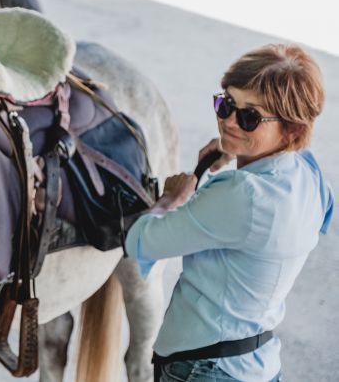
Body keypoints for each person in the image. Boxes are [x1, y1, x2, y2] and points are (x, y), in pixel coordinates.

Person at [124, 44, 334, 381]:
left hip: (202, 369)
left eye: (250, 118)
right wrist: (241, 152)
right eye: (225, 104)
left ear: (291, 129)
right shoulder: (309, 173)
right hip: (258, 366)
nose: (229, 122)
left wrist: (171, 199)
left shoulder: (241, 195)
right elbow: (321, 216)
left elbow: (141, 242)